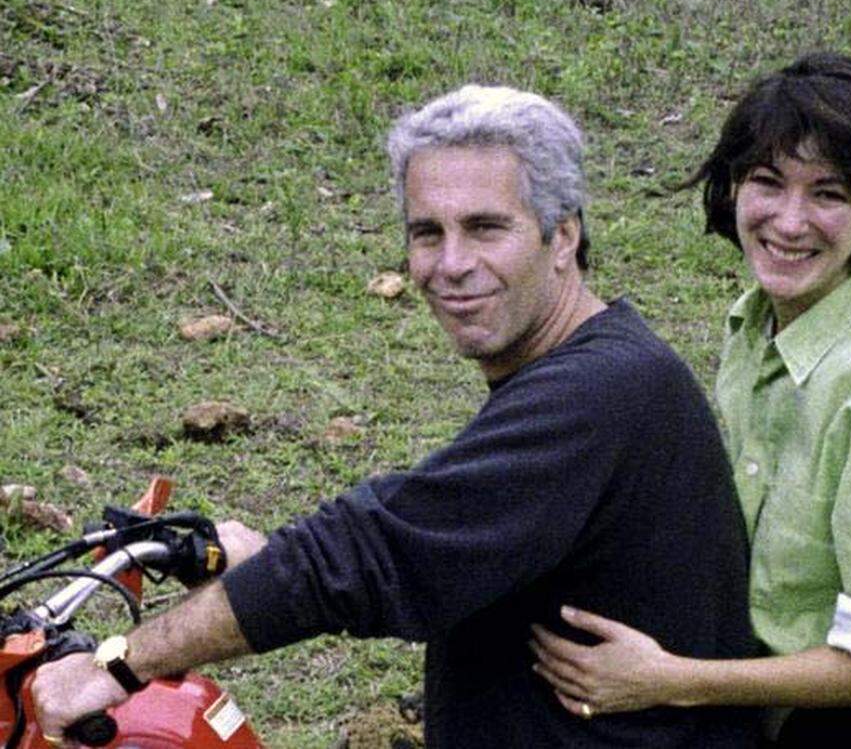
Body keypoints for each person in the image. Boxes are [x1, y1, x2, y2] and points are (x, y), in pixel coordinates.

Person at [31, 85, 761, 747]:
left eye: (484, 228)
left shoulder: (602, 392)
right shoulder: (592, 366)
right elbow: (435, 546)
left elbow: (374, 550)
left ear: (562, 235)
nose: (451, 263)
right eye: (426, 232)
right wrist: (262, 565)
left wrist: (117, 665)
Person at [531, 53, 851, 748]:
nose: (789, 221)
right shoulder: (754, 330)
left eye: (829, 194)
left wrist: (672, 677)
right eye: (768, 182)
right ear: (733, 188)